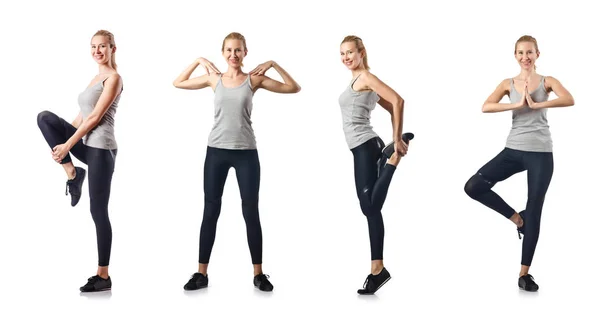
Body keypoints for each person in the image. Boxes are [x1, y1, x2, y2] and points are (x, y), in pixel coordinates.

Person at [173, 32, 301, 292]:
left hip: (246, 153)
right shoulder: (214, 79)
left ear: (245, 53)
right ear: (223, 53)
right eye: (229, 50)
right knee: (210, 212)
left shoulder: (254, 80)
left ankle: (259, 274)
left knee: (250, 211)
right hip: (216, 152)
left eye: (238, 51)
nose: (233, 55)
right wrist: (198, 60)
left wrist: (274, 64)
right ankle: (201, 273)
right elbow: (178, 82)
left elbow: (294, 87)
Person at [464, 35, 574, 292]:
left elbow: (569, 99)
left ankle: (524, 274)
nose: (525, 57)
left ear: (537, 54)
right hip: (513, 149)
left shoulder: (547, 81)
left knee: (534, 208)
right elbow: (485, 106)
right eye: (521, 53)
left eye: (530, 52)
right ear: (515, 56)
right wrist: (516, 103)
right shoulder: (508, 83)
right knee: (473, 186)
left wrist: (538, 103)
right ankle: (517, 220)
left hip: (540, 152)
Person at [36, 30, 123, 292]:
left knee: (98, 211)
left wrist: (68, 145)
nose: (97, 51)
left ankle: (103, 276)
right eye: (93, 46)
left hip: (101, 151)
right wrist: (61, 147)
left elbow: (95, 118)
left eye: (103, 46)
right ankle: (74, 175)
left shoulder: (114, 78)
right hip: (85, 145)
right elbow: (80, 118)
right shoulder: (95, 79)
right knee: (45, 118)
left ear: (112, 49)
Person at [339, 35, 413, 295]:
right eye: (342, 54)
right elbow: (391, 108)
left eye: (350, 52)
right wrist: (394, 135)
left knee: (369, 206)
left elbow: (398, 101)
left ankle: (392, 159)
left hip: (364, 145)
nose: (346, 57)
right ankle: (377, 270)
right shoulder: (358, 81)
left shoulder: (366, 78)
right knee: (372, 209)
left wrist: (396, 138)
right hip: (365, 146)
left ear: (361, 52)